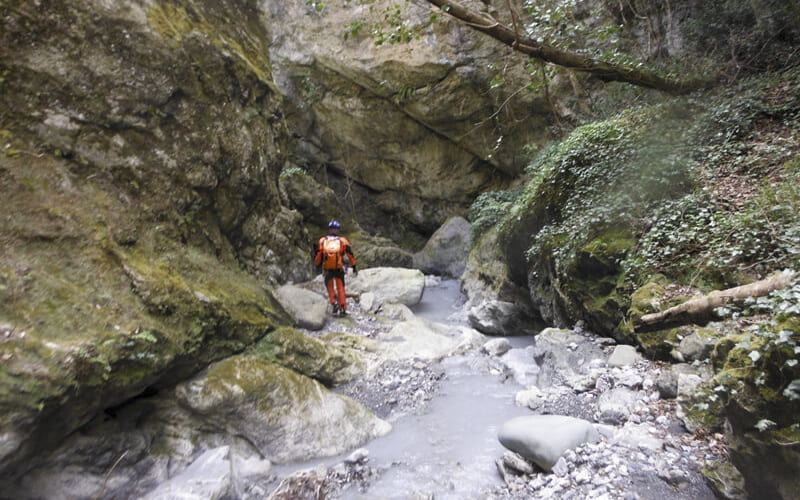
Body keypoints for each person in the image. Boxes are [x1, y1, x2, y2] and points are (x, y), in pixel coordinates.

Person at [315, 220, 357, 316]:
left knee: (330, 287)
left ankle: (334, 303)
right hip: (338, 268)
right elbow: (350, 254)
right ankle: (343, 308)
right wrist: (354, 266)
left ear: (329, 230)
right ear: (338, 230)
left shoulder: (323, 240)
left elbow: (319, 253)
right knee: (340, 288)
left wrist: (317, 264)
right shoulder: (342, 241)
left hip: (327, 268)